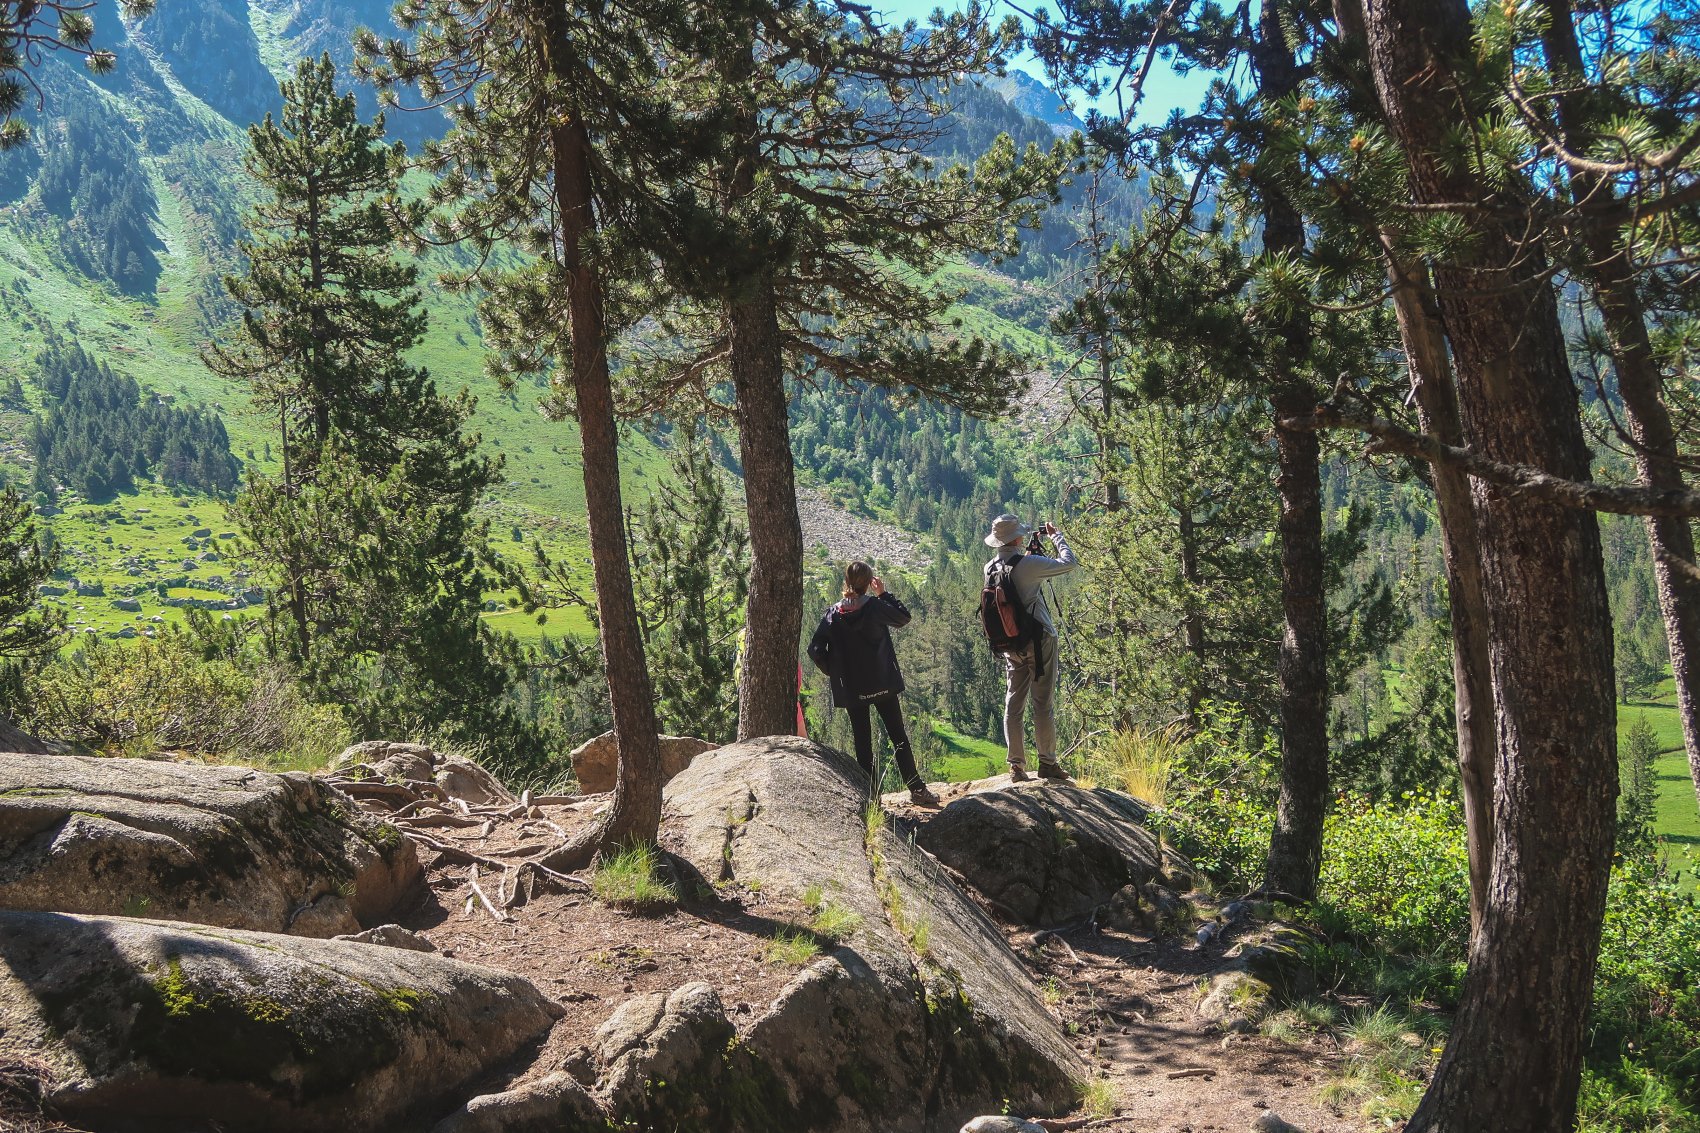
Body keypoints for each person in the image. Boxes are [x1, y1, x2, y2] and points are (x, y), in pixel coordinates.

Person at [807, 561, 941, 807]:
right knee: (898, 736)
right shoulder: (876, 607)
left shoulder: (833, 613)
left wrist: (833, 670)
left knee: (862, 742)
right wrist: (884, 594)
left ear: (846, 582)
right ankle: (918, 790)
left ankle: (871, 798)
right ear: (869, 583)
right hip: (882, 683)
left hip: (852, 688)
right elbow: (903, 617)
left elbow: (815, 649)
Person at [984, 513, 1077, 782]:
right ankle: (1047, 763)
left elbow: (1013, 577)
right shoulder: (1031, 564)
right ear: (1017, 537)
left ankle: (1016, 765)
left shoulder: (989, 567)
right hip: (1040, 641)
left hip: (1009, 645)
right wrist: (1056, 535)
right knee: (1042, 704)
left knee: (1013, 704)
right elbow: (1069, 563)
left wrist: (1029, 556)